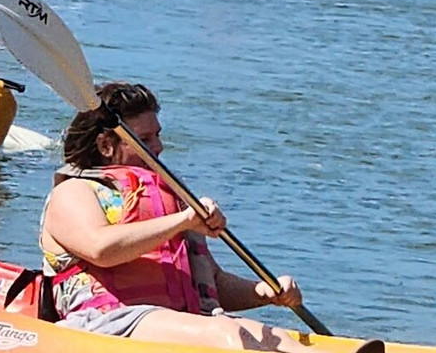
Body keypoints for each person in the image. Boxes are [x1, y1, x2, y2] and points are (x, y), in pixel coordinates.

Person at [39, 81, 310, 351]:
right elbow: (101, 249)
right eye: (144, 140)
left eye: (157, 135)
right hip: (106, 322)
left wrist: (264, 292)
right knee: (226, 335)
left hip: (183, 322)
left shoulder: (173, 200)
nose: (158, 147)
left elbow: (210, 283)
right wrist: (183, 221)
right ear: (106, 145)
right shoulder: (73, 192)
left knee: (277, 338)